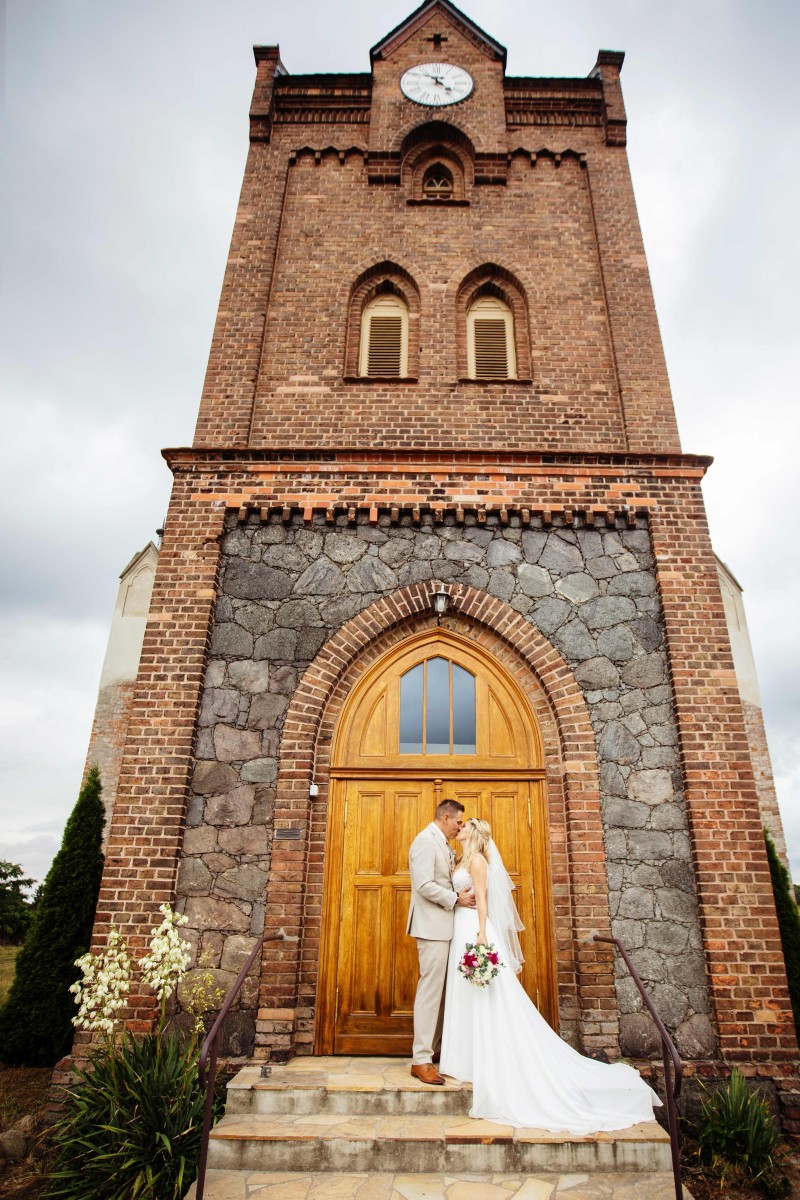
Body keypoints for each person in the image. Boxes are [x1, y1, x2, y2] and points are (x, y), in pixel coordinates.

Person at [439, 817, 662, 1132]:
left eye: (463, 826)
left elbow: (483, 900)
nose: (458, 828)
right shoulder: (459, 858)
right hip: (459, 927)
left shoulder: (477, 861)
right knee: (467, 994)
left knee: (486, 995)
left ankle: (487, 1060)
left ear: (473, 833)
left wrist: (481, 934)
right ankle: (465, 1059)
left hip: (473, 930)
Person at [406, 799, 477, 1085]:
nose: (460, 826)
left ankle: (433, 1052)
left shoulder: (444, 843)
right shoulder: (425, 841)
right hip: (432, 926)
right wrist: (456, 899)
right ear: (445, 817)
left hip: (447, 927)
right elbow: (423, 885)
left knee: (443, 993)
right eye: (458, 822)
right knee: (430, 991)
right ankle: (420, 1059)